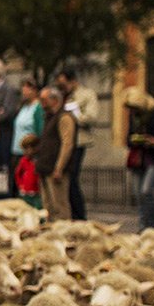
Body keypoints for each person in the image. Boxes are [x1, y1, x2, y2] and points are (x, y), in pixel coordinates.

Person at [124, 86, 154, 231]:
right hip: (138, 159)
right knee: (138, 194)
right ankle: (142, 226)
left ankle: (151, 225)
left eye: (134, 108)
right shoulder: (133, 116)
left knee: (147, 191)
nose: (132, 111)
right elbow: (127, 138)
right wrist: (134, 140)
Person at [54, 68, 99, 220]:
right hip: (60, 141)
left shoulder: (86, 95)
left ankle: (79, 216)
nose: (62, 87)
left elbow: (92, 117)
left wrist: (75, 116)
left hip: (78, 141)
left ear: (72, 80)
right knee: (64, 180)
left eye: (64, 84)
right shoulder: (61, 96)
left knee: (72, 179)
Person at [34, 86, 75, 221]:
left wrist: (59, 167)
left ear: (55, 99)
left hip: (55, 169)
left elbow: (67, 144)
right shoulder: (48, 117)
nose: (42, 103)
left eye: (44, 99)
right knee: (48, 207)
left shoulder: (64, 117)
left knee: (59, 206)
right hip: (45, 167)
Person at [9, 81, 45, 191]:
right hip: (17, 150)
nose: (23, 92)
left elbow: (40, 130)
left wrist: (34, 148)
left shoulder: (38, 108)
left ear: (34, 90)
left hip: (29, 152)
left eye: (26, 89)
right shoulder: (23, 107)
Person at [15, 134, 43, 211]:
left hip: (37, 192)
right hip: (25, 192)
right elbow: (18, 174)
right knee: (25, 209)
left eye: (31, 148)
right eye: (25, 149)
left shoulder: (39, 161)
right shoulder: (23, 161)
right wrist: (20, 185)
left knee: (38, 209)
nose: (28, 151)